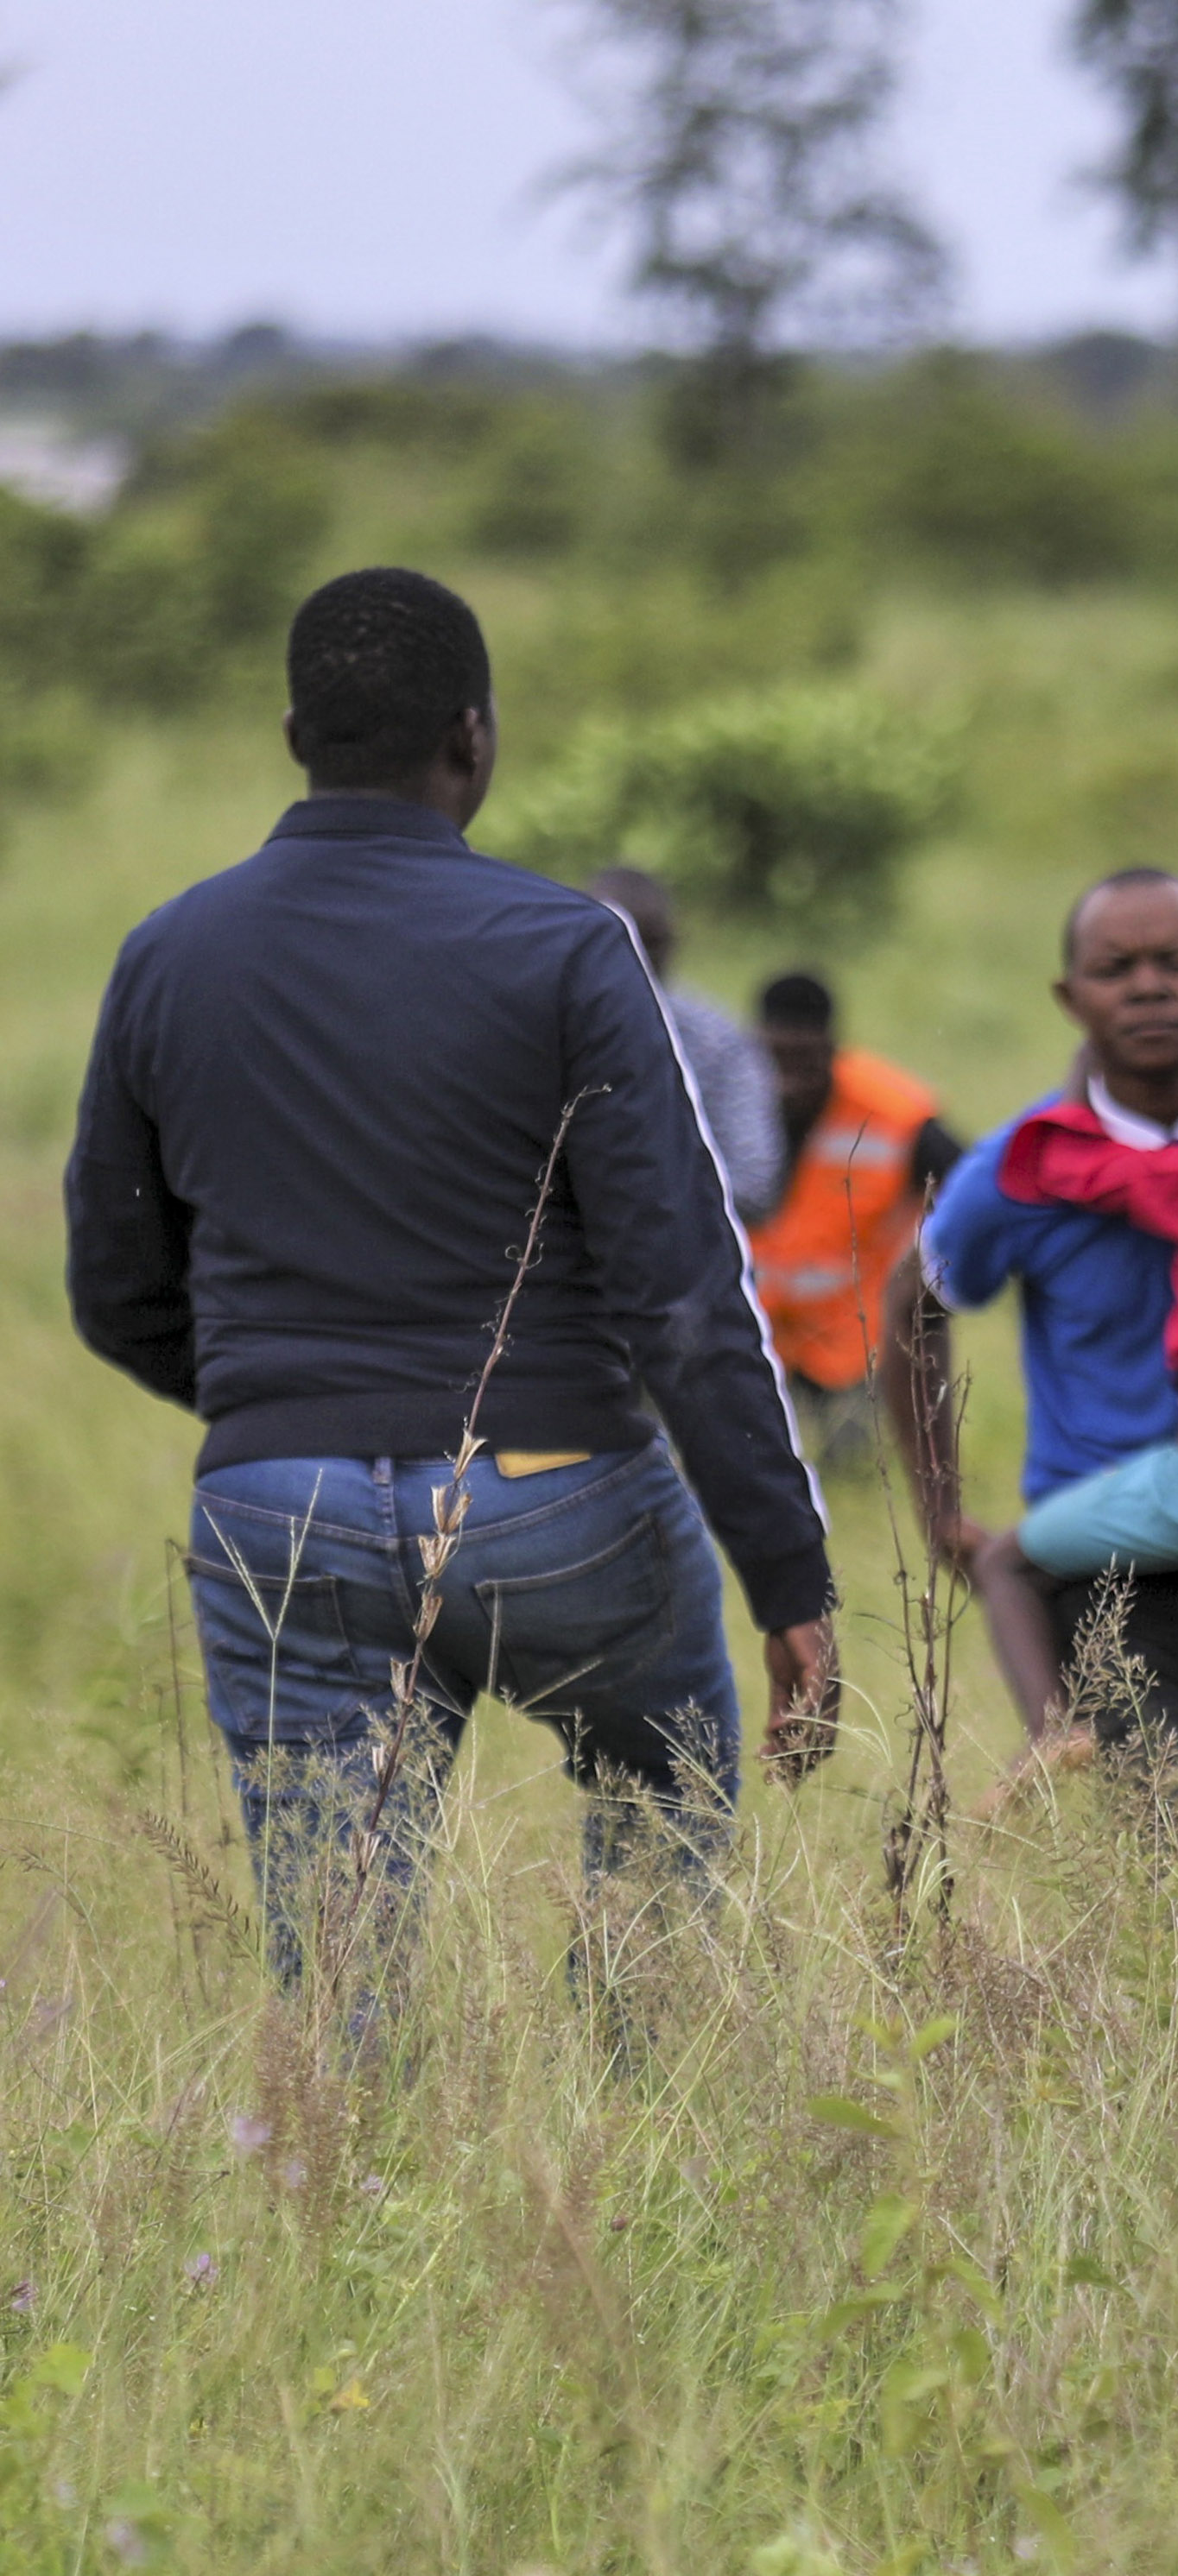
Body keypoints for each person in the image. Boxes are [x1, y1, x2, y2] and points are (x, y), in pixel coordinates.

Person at [67, 566, 839, 2012]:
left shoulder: (167, 953)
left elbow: (116, 1286)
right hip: (560, 1488)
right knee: (661, 1801)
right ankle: (644, 2131)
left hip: (276, 1502)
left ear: (298, 731)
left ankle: (347, 2189)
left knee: (340, 1961)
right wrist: (787, 1577)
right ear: (473, 740)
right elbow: (683, 1291)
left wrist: (287, 1400)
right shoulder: (565, 949)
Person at [883, 868, 1178, 1767]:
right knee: (1161, 1841)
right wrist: (940, 1504)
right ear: (1069, 996)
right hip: (1110, 1577)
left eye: (1175, 962)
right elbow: (909, 1306)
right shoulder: (1025, 1164)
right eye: (1114, 967)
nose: (1148, 986)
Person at [746, 969, 960, 1465]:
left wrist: (931, 1281)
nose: (786, 1081)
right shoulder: (726, 1099)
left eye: (802, 1060)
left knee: (856, 1468)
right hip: (754, 1339)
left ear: (832, 1049)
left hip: (854, 1348)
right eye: (774, 1059)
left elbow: (970, 1193)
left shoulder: (890, 1111)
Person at [591, 862, 788, 1219]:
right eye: (618, 940)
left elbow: (754, 1183)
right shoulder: (535, 1024)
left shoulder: (716, 1040)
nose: (638, 960)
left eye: (652, 943)